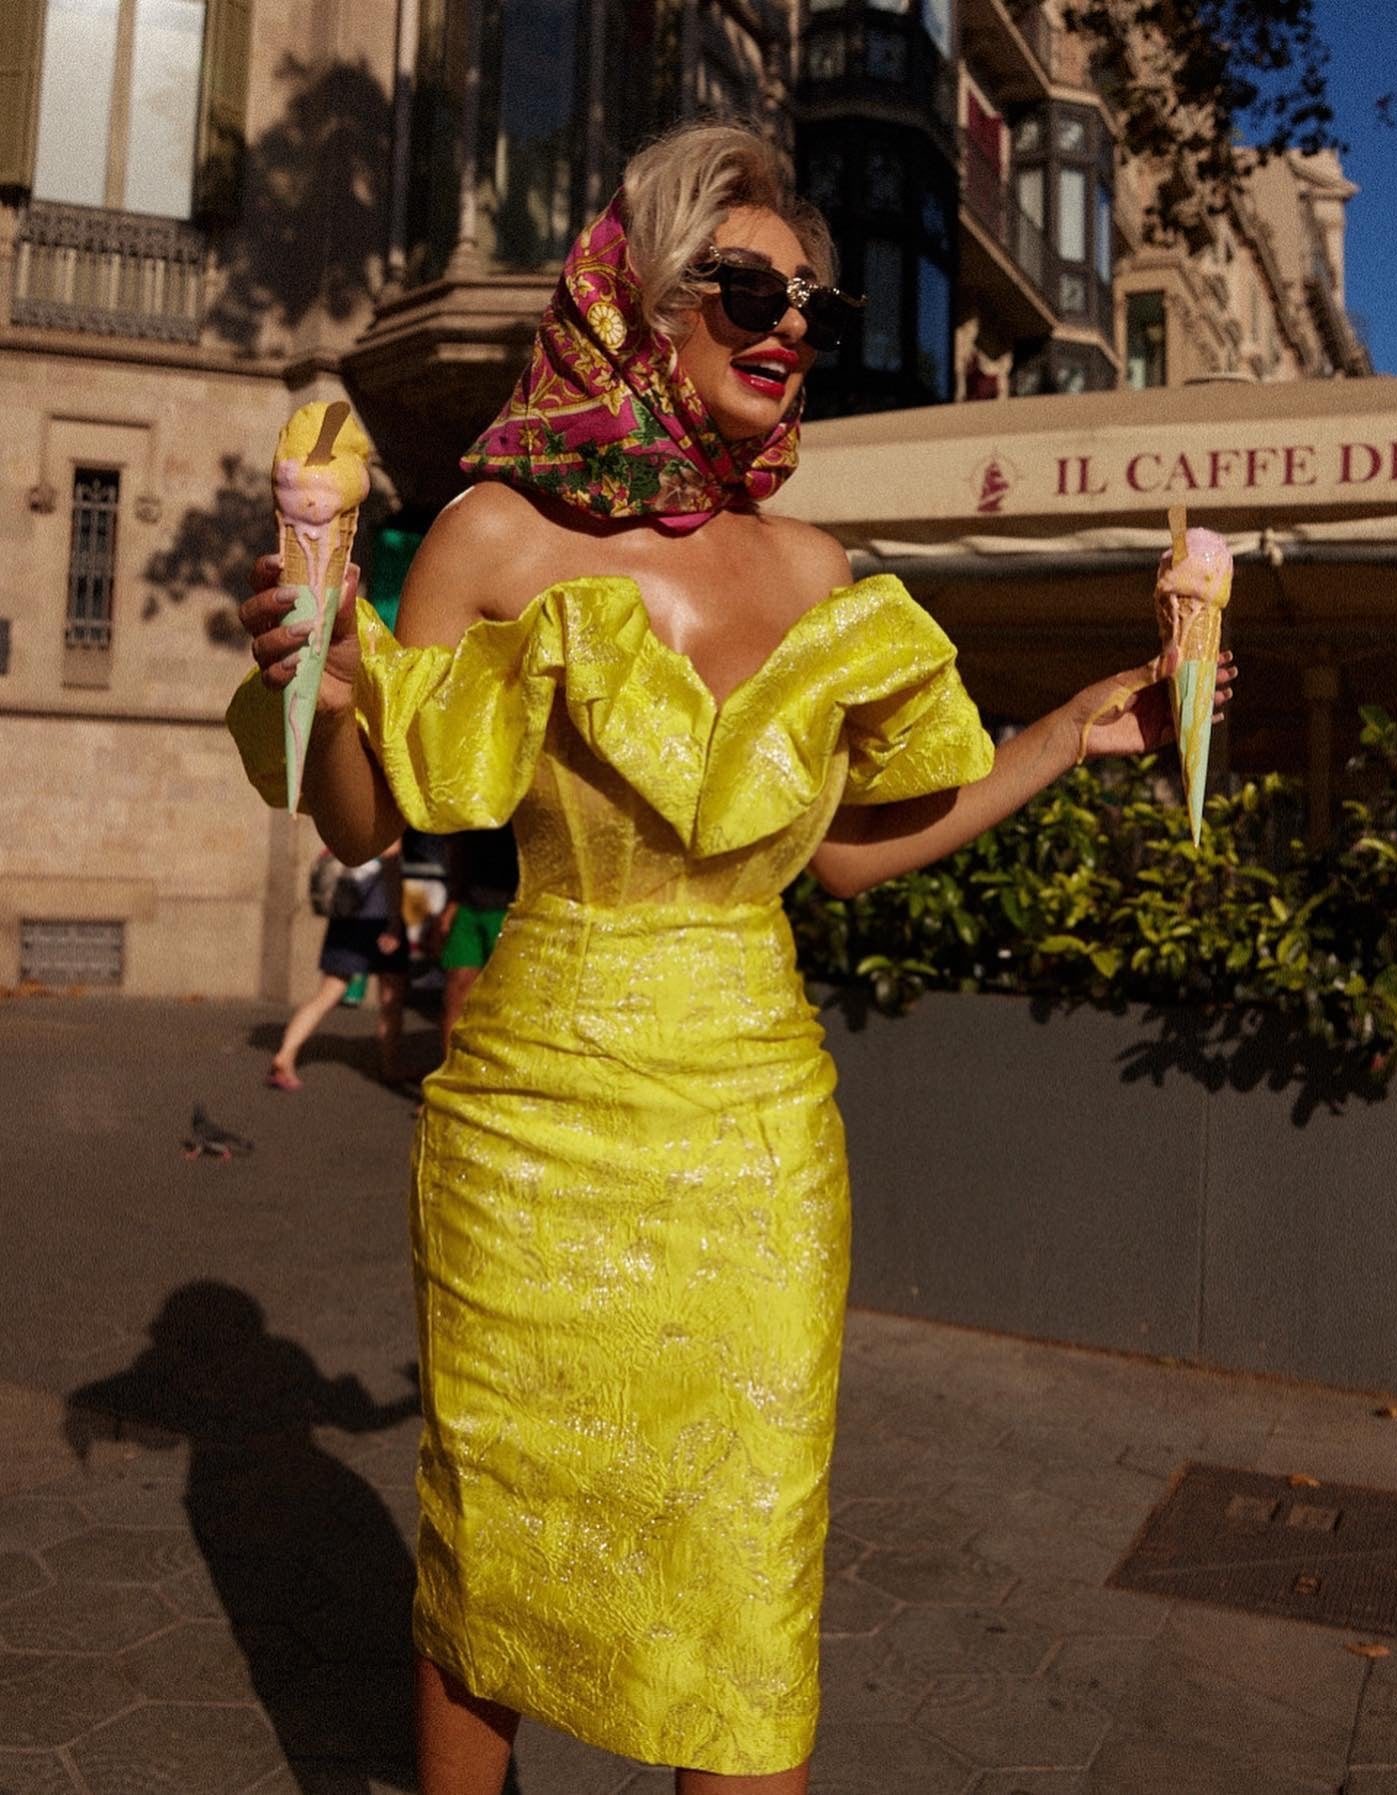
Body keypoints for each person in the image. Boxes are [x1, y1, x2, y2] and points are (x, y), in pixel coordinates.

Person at [230, 122, 1233, 1794]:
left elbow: (839, 852)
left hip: (759, 1142)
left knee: (745, 1574)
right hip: (531, 1131)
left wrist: (1060, 732)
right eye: (749, 288)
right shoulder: (494, 537)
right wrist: (321, 692)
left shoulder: (820, 572)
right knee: (499, 1546)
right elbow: (361, 826)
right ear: (640, 301)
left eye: (816, 310)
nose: (787, 328)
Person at [267, 839, 408, 1090]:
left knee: (328, 992)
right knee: (391, 997)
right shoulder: (389, 819)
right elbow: (391, 868)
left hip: (346, 915)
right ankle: (391, 1066)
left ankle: (286, 1053)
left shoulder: (353, 814)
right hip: (378, 919)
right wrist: (395, 923)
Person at [430, 827, 519, 1058]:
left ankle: (496, 1074)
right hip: (468, 907)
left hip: (511, 909)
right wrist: (451, 903)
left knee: (504, 1001)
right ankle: (449, 1072)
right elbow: (457, 852)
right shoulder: (469, 804)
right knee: (456, 991)